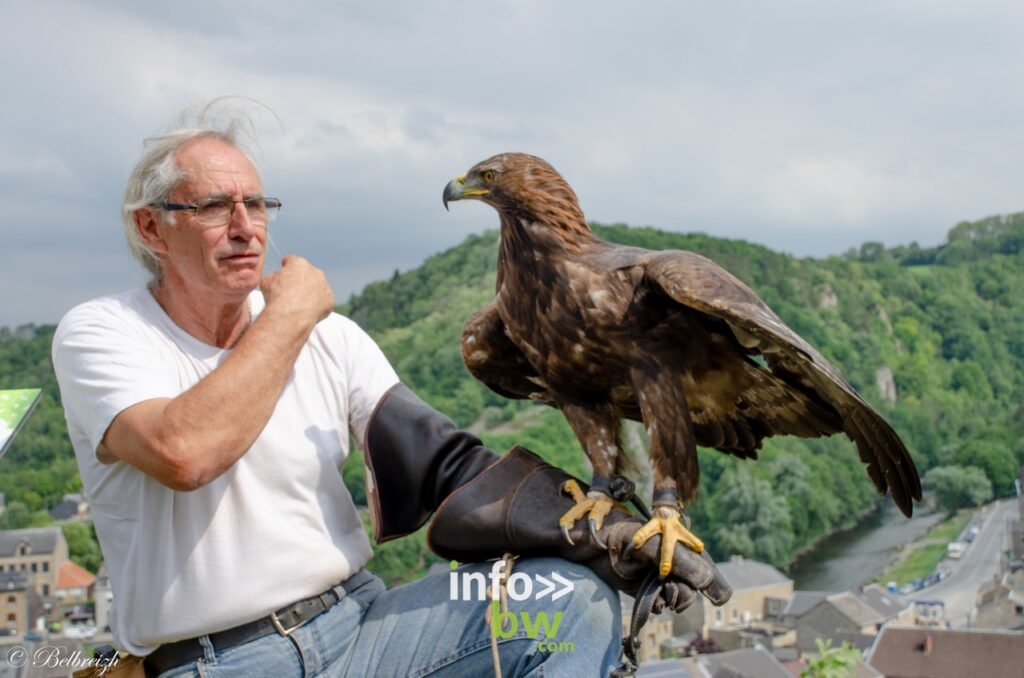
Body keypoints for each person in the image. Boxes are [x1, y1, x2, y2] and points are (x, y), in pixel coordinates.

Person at [53, 105, 728, 677]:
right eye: (212, 207)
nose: (245, 226)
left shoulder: (331, 337)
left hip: (361, 625)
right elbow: (185, 451)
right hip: (222, 659)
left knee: (568, 600)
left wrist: (605, 532)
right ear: (151, 227)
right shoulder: (104, 334)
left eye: (255, 203)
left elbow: (445, 461)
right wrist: (288, 315)